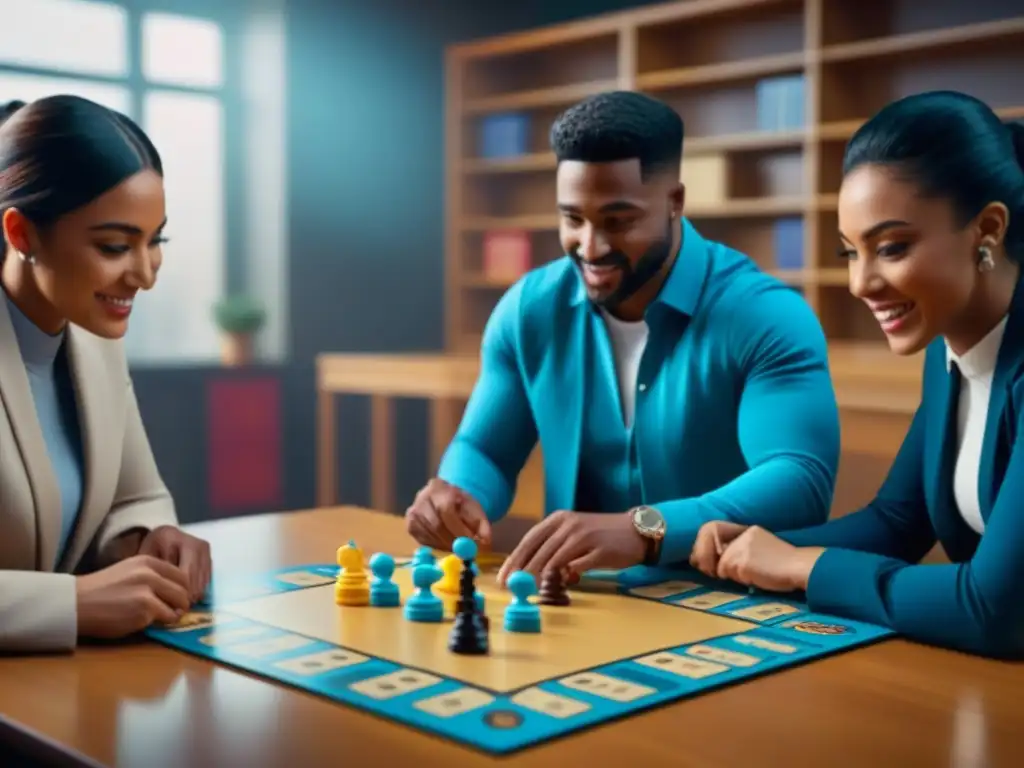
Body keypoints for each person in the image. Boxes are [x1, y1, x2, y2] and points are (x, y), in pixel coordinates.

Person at [405, 91, 841, 585]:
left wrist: (645, 529)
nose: (590, 247)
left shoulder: (767, 316)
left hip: (726, 605)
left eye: (618, 221)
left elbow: (800, 480)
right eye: (573, 218)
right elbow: (485, 448)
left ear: (675, 202)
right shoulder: (527, 311)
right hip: (576, 604)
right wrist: (459, 494)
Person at [691, 91, 1024, 659]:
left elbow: (992, 609)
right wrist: (758, 548)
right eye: (851, 252)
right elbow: (898, 522)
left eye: (890, 247)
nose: (860, 284)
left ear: (987, 230)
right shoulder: (947, 351)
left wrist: (801, 566)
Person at [0, 95, 212, 653]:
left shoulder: (94, 338)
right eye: (115, 246)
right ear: (21, 234)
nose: (144, 275)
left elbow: (134, 496)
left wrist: (150, 541)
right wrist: (71, 605)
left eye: (155, 240)